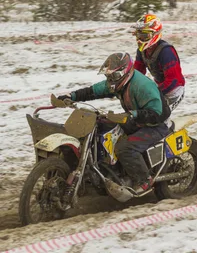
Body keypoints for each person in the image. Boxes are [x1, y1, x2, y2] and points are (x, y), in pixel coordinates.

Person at [57, 52, 172, 194]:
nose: (111, 80)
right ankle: (108, 170)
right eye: (108, 77)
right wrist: (72, 96)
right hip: (136, 120)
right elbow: (93, 91)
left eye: (114, 77)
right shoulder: (116, 83)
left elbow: (157, 113)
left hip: (155, 125)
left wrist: (133, 115)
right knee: (102, 126)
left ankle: (144, 180)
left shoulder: (142, 86)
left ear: (125, 73)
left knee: (125, 147)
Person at [131, 14, 186, 111]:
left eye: (144, 36)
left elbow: (173, 80)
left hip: (174, 90)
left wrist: (153, 92)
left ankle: (166, 125)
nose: (140, 40)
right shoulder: (142, 51)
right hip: (160, 86)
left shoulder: (166, 52)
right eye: (138, 35)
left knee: (158, 116)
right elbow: (137, 72)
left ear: (155, 34)